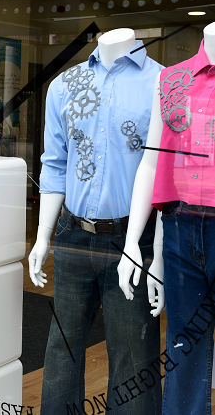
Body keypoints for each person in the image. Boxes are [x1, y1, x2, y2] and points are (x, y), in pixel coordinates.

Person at [29, 28, 163, 414]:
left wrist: (157, 253)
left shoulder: (161, 82)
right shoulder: (64, 85)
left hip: (133, 238)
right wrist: (42, 237)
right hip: (73, 232)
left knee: (133, 355)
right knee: (61, 348)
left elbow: (164, 172)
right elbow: (54, 165)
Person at [120, 23, 215, 414]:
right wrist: (135, 243)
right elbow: (154, 162)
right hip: (180, 228)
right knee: (184, 350)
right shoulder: (171, 80)